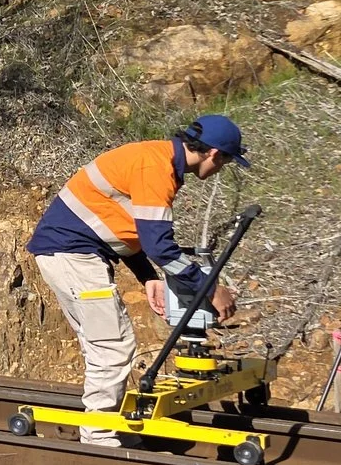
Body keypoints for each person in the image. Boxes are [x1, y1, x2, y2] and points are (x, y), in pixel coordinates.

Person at [26, 113, 247, 443]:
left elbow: (123, 226)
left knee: (103, 342)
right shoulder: (156, 169)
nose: (219, 170)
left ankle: (105, 425)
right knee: (113, 344)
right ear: (214, 154)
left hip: (74, 253)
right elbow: (160, 246)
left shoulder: (156, 158)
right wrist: (210, 289)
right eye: (225, 162)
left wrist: (146, 277)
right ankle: (99, 438)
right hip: (72, 255)